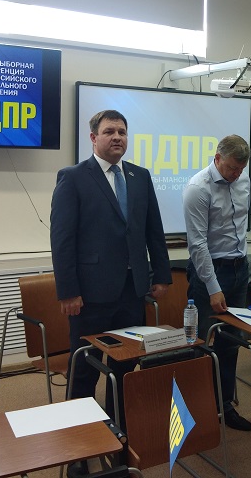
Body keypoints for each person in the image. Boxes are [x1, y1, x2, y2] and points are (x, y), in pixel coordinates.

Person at [50, 109, 171, 428]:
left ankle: (119, 430)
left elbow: (153, 230)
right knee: (85, 369)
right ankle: (81, 437)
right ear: (93, 138)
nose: (117, 137)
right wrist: (68, 291)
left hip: (132, 291)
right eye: (109, 132)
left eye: (122, 132)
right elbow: (62, 239)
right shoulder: (74, 177)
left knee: (126, 365)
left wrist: (161, 274)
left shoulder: (140, 176)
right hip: (90, 294)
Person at [183, 135, 251, 431]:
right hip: (210, 273)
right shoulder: (198, 188)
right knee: (200, 342)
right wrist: (213, 287)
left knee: (231, 341)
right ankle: (195, 410)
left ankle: (224, 405)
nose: (236, 174)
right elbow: (197, 244)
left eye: (240, 169)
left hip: (239, 269)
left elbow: (240, 226)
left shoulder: (243, 179)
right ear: (217, 158)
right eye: (231, 168)